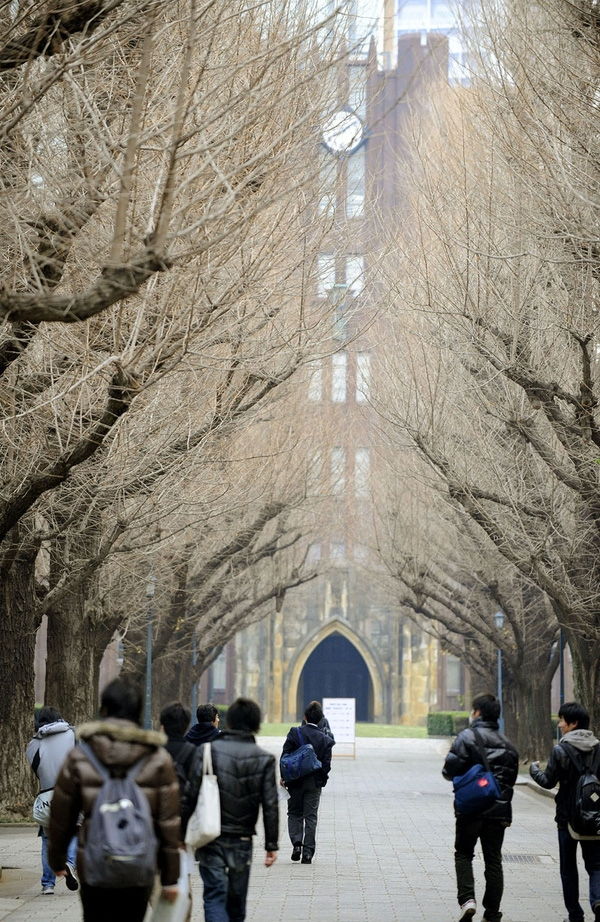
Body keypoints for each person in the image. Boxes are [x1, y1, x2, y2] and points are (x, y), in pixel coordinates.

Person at [48, 677, 181, 922]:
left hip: (94, 862)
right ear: (138, 712)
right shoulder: (157, 759)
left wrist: (56, 860)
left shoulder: (81, 756)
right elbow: (168, 823)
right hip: (140, 864)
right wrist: (171, 878)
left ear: (104, 709)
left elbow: (61, 817)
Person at [181, 697, 278, 922]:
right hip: (242, 839)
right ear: (256, 724)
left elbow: (190, 795)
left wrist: (180, 834)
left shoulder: (206, 752)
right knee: (237, 899)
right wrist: (271, 844)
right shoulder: (263, 759)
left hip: (210, 836)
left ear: (229, 721)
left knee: (214, 895)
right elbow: (270, 804)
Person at [442, 692, 519, 922]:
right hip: (499, 812)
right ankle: (493, 912)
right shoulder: (508, 745)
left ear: (477, 712)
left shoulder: (466, 737)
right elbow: (511, 781)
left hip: (470, 809)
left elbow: (448, 771)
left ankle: (468, 900)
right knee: (493, 859)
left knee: (464, 853)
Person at [530, 700, 600, 922]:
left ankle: (575, 916)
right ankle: (598, 900)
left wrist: (534, 770)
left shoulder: (560, 750)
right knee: (596, 865)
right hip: (595, 818)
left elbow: (548, 782)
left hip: (567, 819)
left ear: (573, 723)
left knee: (568, 869)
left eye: (562, 720)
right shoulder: (598, 748)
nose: (559, 724)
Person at [26, 706, 78, 896]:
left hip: (47, 795)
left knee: (48, 838)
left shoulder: (34, 743)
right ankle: (70, 863)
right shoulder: (73, 735)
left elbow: (35, 767)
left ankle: (48, 884)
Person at [281, 700, 334, 864]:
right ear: (321, 720)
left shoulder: (294, 732)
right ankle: (308, 853)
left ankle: (297, 844)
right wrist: (321, 780)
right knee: (311, 817)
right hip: (313, 783)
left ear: (304, 717)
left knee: (294, 813)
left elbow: (285, 756)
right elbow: (326, 765)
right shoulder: (325, 739)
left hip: (295, 781)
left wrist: (284, 777)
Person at [160, 701, 197, 796]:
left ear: (163, 726)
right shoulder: (193, 751)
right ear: (186, 727)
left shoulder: (154, 751)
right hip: (183, 805)